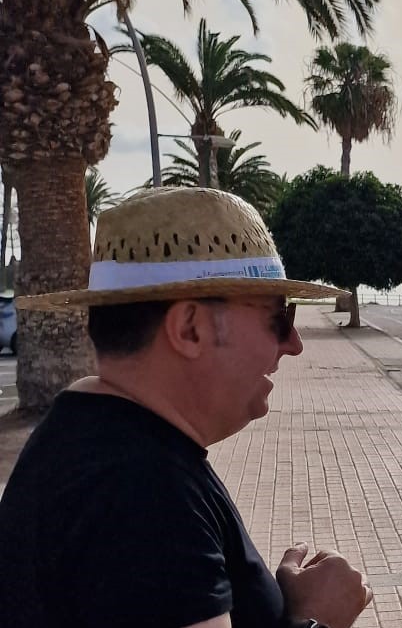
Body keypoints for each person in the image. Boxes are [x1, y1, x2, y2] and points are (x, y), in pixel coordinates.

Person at [0, 186, 373, 628]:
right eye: (279, 318)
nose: (294, 344)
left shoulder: (90, 437)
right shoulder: (140, 494)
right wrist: (317, 618)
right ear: (190, 328)